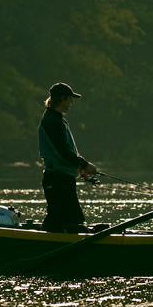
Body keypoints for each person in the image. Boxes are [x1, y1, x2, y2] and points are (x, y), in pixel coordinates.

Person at [38, 82, 98, 232]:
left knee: (60, 222)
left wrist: (78, 166)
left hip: (61, 178)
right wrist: (84, 164)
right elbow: (63, 152)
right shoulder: (52, 122)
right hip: (58, 180)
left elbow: (65, 151)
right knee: (70, 222)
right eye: (70, 99)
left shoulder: (57, 119)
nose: (72, 102)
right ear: (62, 99)